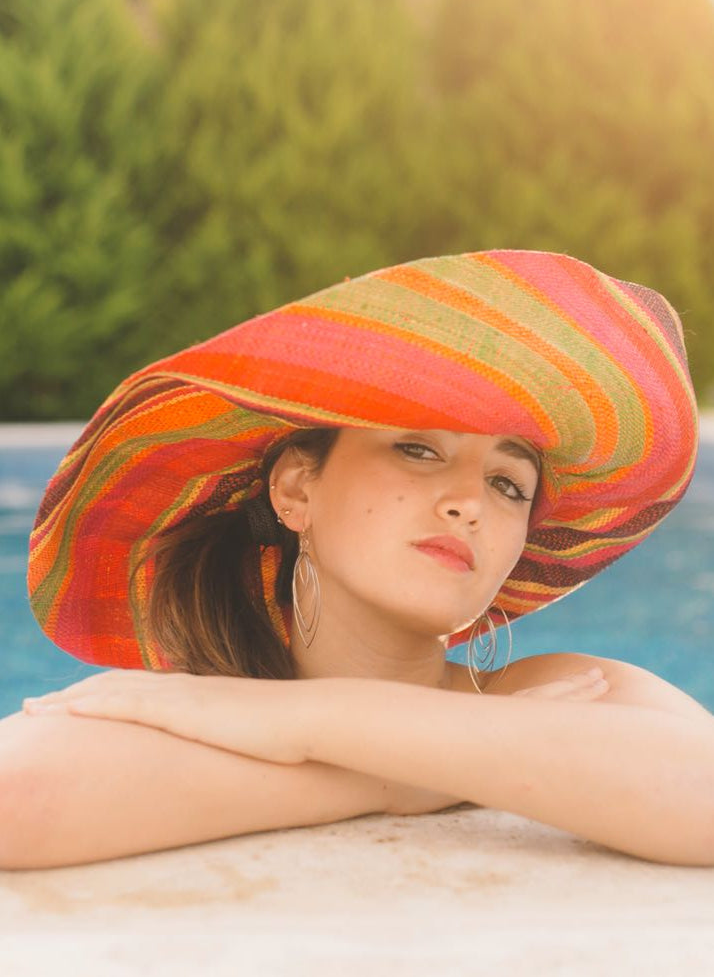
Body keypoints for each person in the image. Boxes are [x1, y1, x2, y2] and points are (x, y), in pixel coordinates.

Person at [5, 249, 714, 869]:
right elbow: (19, 798)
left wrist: (302, 727)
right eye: (418, 450)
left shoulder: (561, 689)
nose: (469, 503)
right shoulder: (528, 719)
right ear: (296, 488)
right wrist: (434, 770)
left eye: (508, 485)